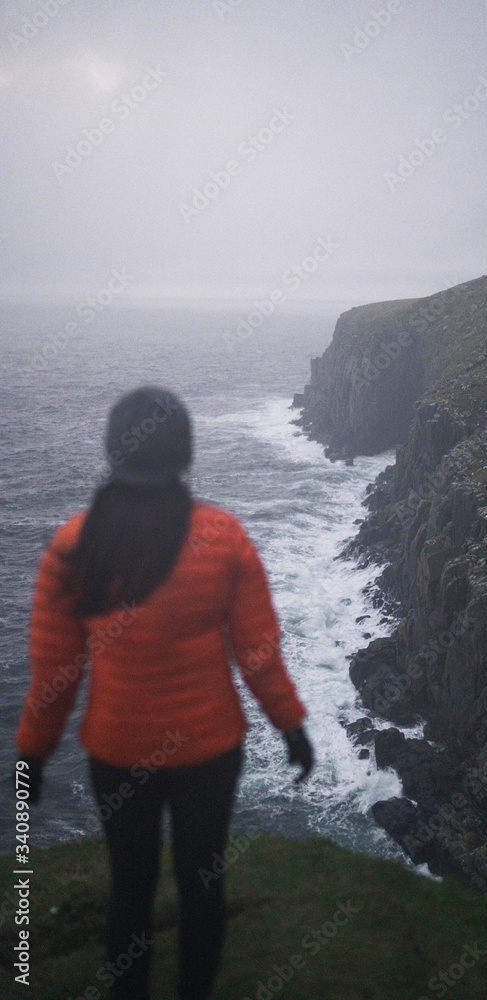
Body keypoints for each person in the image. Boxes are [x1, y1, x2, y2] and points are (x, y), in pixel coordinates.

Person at [15, 385, 314, 1000]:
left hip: (118, 750)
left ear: (112, 452)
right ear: (186, 452)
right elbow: (257, 653)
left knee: (131, 890)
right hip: (209, 750)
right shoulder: (221, 538)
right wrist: (291, 725)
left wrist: (32, 756)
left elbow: (54, 675)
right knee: (202, 883)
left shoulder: (75, 546)